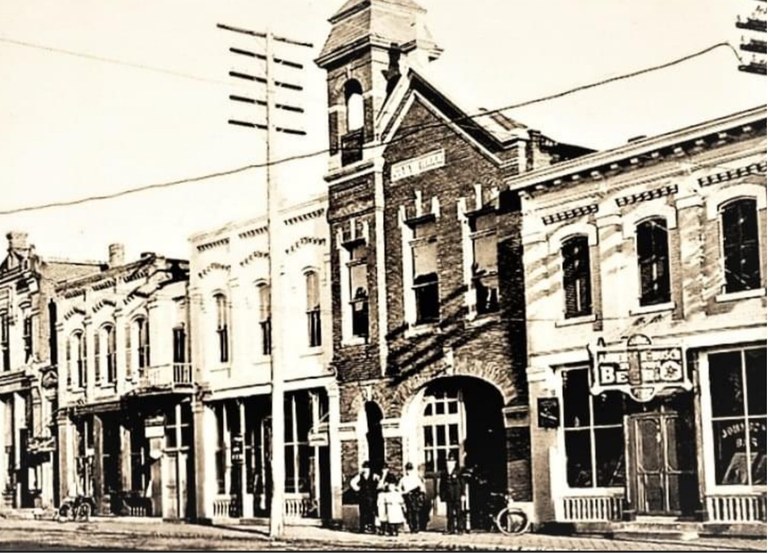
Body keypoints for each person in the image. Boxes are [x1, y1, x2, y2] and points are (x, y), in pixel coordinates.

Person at [350, 461, 380, 534]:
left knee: (372, 512)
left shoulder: (374, 475)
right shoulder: (360, 476)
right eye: (364, 468)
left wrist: (375, 489)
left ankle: (372, 527)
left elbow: (379, 483)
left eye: (367, 468)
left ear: (369, 469)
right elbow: (352, 482)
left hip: (371, 497)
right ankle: (362, 528)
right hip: (362, 497)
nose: (366, 469)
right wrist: (358, 489)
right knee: (363, 512)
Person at [438, 454, 466, 535]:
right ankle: (451, 529)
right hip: (448, 496)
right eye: (448, 462)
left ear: (454, 462)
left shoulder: (458, 472)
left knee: (459, 512)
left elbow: (462, 484)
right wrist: (442, 495)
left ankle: (460, 529)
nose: (449, 463)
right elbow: (442, 485)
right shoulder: (444, 473)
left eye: (451, 462)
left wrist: (463, 494)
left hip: (457, 495)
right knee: (449, 513)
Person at [398, 462, 426, 533]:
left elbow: (422, 488)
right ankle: (411, 527)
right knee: (409, 512)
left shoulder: (416, 479)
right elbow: (399, 488)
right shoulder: (403, 479)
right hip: (407, 497)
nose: (408, 471)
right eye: (407, 470)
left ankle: (416, 527)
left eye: (410, 470)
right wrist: (403, 493)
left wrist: (421, 495)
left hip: (415, 497)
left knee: (415, 512)